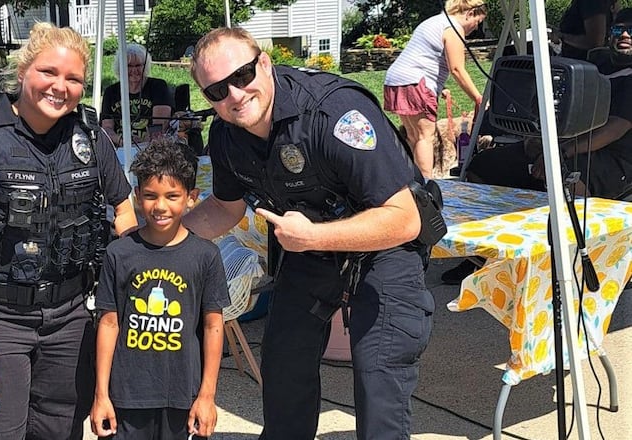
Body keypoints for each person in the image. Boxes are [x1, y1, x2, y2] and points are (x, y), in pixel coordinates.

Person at [186, 27, 434, 440]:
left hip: (383, 246)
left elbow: (404, 218)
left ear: (264, 63)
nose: (234, 95)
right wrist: (154, 239)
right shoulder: (227, 135)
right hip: (309, 248)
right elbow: (224, 210)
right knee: (283, 361)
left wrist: (315, 237)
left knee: (378, 380)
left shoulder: (335, 113)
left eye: (243, 75)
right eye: (216, 91)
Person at [0, 22, 138, 439]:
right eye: (48, 72)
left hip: (71, 316)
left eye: (73, 78)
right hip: (1, 317)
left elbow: (124, 211)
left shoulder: (90, 137)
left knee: (62, 428)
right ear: (23, 71)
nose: (60, 86)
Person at [442, 8, 632, 285]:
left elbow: (615, 128)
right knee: (486, 166)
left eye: (631, 31)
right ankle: (485, 256)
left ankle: (576, 262)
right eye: (618, 30)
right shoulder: (594, 68)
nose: (624, 35)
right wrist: (538, 138)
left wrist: (559, 152)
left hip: (614, 157)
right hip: (564, 144)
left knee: (566, 177)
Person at [90, 138, 231, 439]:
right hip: (127, 397)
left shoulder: (205, 256)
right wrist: (101, 395)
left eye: (172, 195)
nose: (161, 206)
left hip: (183, 396)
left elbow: (213, 326)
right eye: (151, 196)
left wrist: (207, 396)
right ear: (137, 196)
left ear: (191, 197)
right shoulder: (119, 253)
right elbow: (109, 322)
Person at [383, 0, 487, 179]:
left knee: (414, 136)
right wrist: (479, 98)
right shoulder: (453, 28)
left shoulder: (435, 22)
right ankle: (426, 189)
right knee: (425, 137)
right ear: (470, 13)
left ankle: (412, 183)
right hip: (416, 82)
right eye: (477, 22)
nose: (475, 28)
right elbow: (457, 69)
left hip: (396, 80)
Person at [100, 43, 173, 147]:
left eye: (138, 65)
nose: (134, 70)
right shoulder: (110, 92)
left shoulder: (158, 86)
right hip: (120, 147)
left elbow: (160, 125)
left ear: (145, 66)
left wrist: (142, 143)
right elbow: (106, 128)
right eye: (129, 66)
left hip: (151, 146)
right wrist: (121, 140)